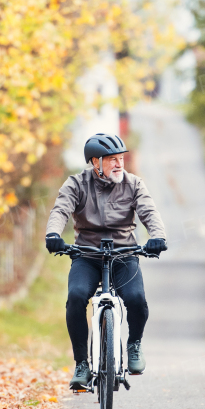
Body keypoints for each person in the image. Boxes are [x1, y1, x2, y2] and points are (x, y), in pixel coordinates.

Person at [45, 132, 168, 391]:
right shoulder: (76, 184)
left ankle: (134, 344)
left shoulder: (134, 184)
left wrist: (157, 236)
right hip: (87, 256)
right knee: (76, 297)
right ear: (95, 163)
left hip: (124, 255)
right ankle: (81, 364)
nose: (119, 164)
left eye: (120, 158)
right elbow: (61, 209)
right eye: (111, 159)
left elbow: (148, 211)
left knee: (136, 299)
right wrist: (53, 234)